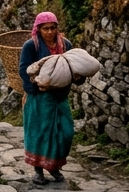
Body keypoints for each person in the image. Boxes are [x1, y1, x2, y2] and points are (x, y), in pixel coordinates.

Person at [20, 12, 83, 186]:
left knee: (64, 132)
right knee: (39, 134)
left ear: (57, 28)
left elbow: (73, 67)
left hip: (60, 97)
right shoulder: (31, 46)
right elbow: (24, 70)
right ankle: (39, 170)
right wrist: (36, 88)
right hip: (39, 99)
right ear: (38, 29)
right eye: (45, 28)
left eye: (52, 28)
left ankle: (53, 165)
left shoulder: (66, 45)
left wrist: (78, 78)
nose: (49, 32)